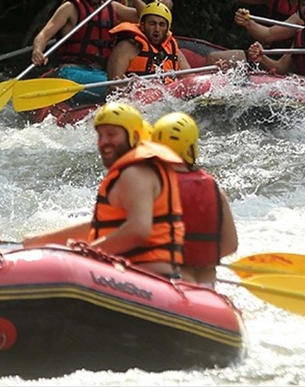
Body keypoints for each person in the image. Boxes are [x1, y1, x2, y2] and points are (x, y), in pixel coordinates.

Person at [22, 102, 185, 279]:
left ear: (135, 136)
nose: (104, 142)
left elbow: (138, 230)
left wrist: (90, 252)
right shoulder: (138, 169)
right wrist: (40, 240)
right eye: (100, 135)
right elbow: (102, 226)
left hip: (149, 277)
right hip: (145, 274)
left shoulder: (136, 173)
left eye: (112, 134)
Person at [31, 0, 143, 102]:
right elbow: (43, 35)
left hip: (101, 73)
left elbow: (146, 18)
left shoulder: (113, 7)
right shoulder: (70, 8)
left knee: (133, 86)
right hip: (72, 73)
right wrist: (37, 51)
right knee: (122, 88)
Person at [151, 112, 238, 286]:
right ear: (190, 148)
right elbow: (231, 245)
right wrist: (201, 255)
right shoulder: (214, 188)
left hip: (172, 283)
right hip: (207, 287)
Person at [105, 1, 191, 83]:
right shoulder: (125, 48)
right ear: (142, 25)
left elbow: (189, 78)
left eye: (162, 25)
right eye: (152, 23)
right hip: (136, 95)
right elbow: (113, 85)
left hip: (167, 94)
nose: (157, 29)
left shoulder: (173, 50)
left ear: (167, 29)